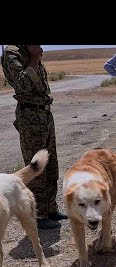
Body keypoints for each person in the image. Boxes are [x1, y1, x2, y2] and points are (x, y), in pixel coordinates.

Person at [1, 45, 67, 229]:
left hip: (44, 114)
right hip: (30, 115)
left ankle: (51, 209)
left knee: (51, 164)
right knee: (36, 168)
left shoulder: (30, 51)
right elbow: (23, 85)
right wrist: (35, 57)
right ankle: (38, 215)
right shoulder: (12, 53)